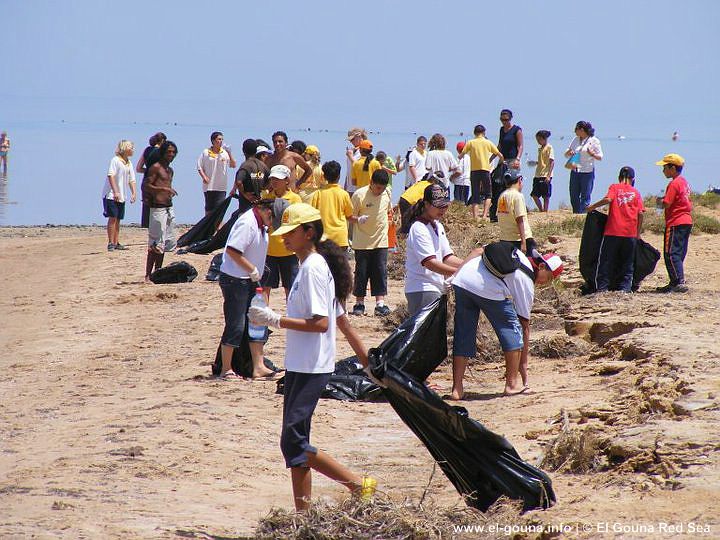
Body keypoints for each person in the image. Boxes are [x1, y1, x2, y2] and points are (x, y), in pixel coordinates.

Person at [248, 203, 377, 510]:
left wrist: (273, 319)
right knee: (295, 442)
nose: (284, 239)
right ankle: (302, 515)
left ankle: (359, 485)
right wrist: (367, 362)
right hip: (301, 365)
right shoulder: (311, 266)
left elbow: (321, 324)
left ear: (309, 232)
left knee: (292, 441)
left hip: (311, 367)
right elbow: (341, 320)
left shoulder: (313, 268)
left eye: (291, 233)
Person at [450, 248, 563, 399]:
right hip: (485, 287)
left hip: (463, 280)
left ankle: (457, 389)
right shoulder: (526, 281)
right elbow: (524, 327)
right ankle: (511, 385)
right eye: (549, 278)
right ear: (542, 267)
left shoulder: (517, 254)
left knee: (464, 332)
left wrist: (457, 274)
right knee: (512, 329)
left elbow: (478, 251)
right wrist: (523, 367)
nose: (545, 283)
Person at [217, 171, 277, 380]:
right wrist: (251, 268)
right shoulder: (247, 223)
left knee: (257, 321)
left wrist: (258, 272)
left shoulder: (262, 225)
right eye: (272, 217)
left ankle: (258, 366)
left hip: (252, 280)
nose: (272, 222)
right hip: (235, 280)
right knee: (236, 324)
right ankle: (225, 369)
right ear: (264, 210)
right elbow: (233, 251)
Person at [404, 184, 465, 316]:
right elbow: (430, 263)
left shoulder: (437, 226)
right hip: (422, 288)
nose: (442, 209)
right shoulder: (419, 228)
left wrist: (468, 266)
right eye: (438, 206)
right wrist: (458, 273)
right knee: (425, 336)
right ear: (426, 204)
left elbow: (447, 258)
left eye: (445, 206)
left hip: (436, 288)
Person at [586, 166, 645, 293]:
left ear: (619, 178)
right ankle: (625, 288)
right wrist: (637, 233)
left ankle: (602, 288)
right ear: (633, 179)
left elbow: (608, 199)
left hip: (613, 232)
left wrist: (592, 207)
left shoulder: (614, 187)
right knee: (627, 263)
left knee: (606, 261)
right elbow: (640, 213)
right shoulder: (636, 192)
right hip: (630, 234)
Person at [350, 169, 392, 316]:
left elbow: (388, 212)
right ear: (371, 183)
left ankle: (380, 304)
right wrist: (358, 220)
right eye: (378, 187)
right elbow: (349, 216)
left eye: (383, 188)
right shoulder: (359, 195)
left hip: (381, 241)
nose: (380, 191)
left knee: (380, 272)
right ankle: (359, 304)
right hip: (362, 242)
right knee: (361, 273)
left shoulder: (387, 194)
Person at [262, 165, 302, 300]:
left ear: (286, 180)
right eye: (272, 179)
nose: (274, 182)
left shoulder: (295, 199)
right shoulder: (266, 198)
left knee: (290, 287)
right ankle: (263, 316)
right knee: (265, 286)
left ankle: (292, 316)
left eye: (277, 179)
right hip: (270, 250)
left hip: (289, 251)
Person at [655, 153, 693, 293]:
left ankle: (678, 282)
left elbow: (667, 203)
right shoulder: (683, 182)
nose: (663, 170)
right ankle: (674, 281)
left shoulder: (674, 183)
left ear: (672, 168)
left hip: (676, 221)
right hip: (686, 220)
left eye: (665, 167)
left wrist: (658, 201)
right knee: (679, 251)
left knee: (670, 253)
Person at [144, 141, 179, 280]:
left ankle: (157, 272)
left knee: (163, 243)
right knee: (154, 243)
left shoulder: (170, 170)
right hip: (157, 208)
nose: (171, 155)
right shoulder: (155, 168)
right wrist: (163, 190)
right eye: (168, 152)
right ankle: (147, 274)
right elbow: (146, 185)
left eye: (173, 152)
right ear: (163, 153)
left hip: (168, 207)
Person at [310, 160, 360, 249]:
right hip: (340, 239)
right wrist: (360, 219)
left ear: (324, 176)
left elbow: (312, 217)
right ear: (339, 176)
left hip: (322, 239)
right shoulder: (344, 194)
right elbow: (349, 216)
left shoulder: (318, 194)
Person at [459, 125, 503, 221]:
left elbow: (461, 155)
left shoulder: (471, 142)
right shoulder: (488, 142)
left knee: (475, 194)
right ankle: (484, 216)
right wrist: (501, 162)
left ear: (474, 133)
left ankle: (475, 217)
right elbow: (499, 154)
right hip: (485, 170)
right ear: (484, 132)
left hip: (474, 171)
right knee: (488, 194)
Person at [102, 140, 137, 252]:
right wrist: (115, 191)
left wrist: (134, 193)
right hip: (111, 194)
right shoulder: (115, 160)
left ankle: (116, 242)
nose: (132, 149)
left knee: (118, 219)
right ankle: (110, 242)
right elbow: (110, 175)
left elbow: (132, 179)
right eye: (131, 147)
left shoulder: (128, 163)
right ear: (125, 148)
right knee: (112, 217)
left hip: (122, 195)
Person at [491, 110, 523, 222]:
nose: (504, 122)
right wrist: (492, 157)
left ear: (510, 119)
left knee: (513, 185)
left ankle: (516, 209)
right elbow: (499, 145)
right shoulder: (501, 130)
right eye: (502, 120)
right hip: (503, 161)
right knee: (500, 185)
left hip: (513, 160)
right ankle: (502, 210)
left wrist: (518, 159)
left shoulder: (516, 130)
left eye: (506, 120)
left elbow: (520, 146)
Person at [565, 121, 603, 214]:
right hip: (575, 170)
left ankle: (583, 214)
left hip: (587, 171)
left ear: (582, 130)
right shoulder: (575, 139)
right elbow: (567, 152)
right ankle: (576, 213)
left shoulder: (594, 141)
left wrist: (592, 154)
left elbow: (600, 156)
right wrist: (569, 153)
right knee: (573, 194)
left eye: (576, 129)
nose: (575, 132)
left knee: (585, 195)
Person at [197, 131, 236, 217]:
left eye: (222, 139)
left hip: (221, 186)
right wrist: (204, 177)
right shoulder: (206, 152)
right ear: (213, 141)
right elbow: (199, 166)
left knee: (219, 209)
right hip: (209, 186)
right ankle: (207, 227)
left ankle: (218, 228)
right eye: (219, 139)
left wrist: (229, 153)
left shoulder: (224, 153)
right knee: (209, 209)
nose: (221, 141)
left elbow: (233, 165)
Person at [497, 172, 536, 256]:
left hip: (505, 239)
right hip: (519, 239)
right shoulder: (517, 196)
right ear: (519, 180)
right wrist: (523, 242)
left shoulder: (502, 196)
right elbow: (519, 219)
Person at [136, 132, 166, 228]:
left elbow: (138, 168)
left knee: (147, 206)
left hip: (146, 180)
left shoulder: (147, 150)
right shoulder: (162, 152)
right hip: (158, 181)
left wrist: (148, 171)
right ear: (162, 141)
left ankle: (146, 226)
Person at [232, 139, 270, 204]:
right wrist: (263, 192)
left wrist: (246, 195)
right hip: (261, 204)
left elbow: (238, 182)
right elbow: (271, 179)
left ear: (243, 151)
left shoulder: (245, 166)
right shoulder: (263, 165)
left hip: (246, 204)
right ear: (256, 150)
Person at [530, 130, 554, 212]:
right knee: (534, 195)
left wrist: (548, 175)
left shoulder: (549, 147)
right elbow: (542, 161)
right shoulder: (540, 149)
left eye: (539, 139)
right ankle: (541, 210)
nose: (538, 141)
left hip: (545, 174)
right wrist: (535, 163)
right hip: (538, 174)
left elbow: (551, 161)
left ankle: (545, 211)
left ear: (544, 138)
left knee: (546, 195)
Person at [345, 127, 367, 194]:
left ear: (359, 136)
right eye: (350, 140)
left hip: (359, 188)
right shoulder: (352, 150)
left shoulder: (365, 150)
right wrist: (346, 184)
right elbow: (349, 170)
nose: (350, 141)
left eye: (352, 139)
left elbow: (360, 167)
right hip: (350, 188)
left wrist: (350, 157)